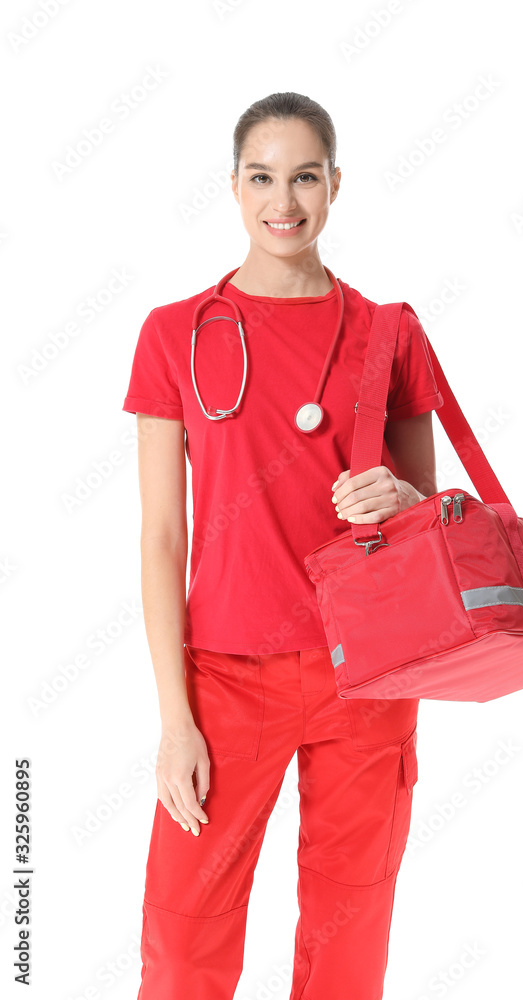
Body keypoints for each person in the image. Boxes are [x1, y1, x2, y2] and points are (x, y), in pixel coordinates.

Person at [122, 91, 444, 1000]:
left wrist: (406, 494)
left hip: (368, 676)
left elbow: (429, 519)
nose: (284, 199)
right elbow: (159, 537)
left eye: (305, 176)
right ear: (232, 187)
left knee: (348, 949)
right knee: (183, 951)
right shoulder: (173, 333)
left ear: (336, 184)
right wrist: (175, 718)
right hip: (225, 677)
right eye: (262, 176)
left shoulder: (389, 332)